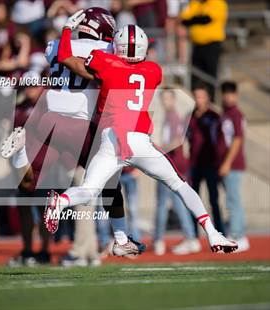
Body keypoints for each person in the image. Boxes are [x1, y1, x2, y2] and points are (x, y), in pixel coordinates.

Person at [45, 12, 238, 256]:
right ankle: (212, 232)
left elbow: (66, 58)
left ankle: (60, 201)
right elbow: (130, 67)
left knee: (89, 190)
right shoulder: (153, 71)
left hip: (111, 140)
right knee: (179, 185)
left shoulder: (105, 62)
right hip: (139, 141)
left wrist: (66, 30)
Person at [0, 7, 129, 264]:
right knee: (103, 184)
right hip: (82, 124)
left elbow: (55, 55)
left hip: (51, 119)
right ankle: (99, 245)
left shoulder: (56, 45)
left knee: (57, 183)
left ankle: (89, 250)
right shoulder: (105, 50)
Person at [153, 88, 200, 256]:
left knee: (164, 204)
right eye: (163, 99)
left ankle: (160, 240)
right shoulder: (169, 117)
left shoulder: (173, 117)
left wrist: (158, 151)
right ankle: (189, 238)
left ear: (173, 100)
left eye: (168, 99)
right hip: (173, 166)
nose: (165, 102)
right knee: (175, 204)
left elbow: (176, 140)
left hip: (172, 167)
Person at [187, 83, 225, 235]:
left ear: (207, 98)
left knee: (213, 200)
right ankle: (193, 235)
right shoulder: (189, 117)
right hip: (194, 164)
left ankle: (220, 232)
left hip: (210, 164)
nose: (198, 100)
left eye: (201, 96)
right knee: (192, 200)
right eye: (196, 96)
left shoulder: (214, 116)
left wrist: (221, 161)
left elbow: (221, 140)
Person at [218, 81, 249, 252]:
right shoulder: (226, 113)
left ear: (236, 95)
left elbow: (238, 139)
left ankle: (239, 236)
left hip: (233, 165)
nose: (227, 97)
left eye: (231, 93)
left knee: (233, 200)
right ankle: (235, 233)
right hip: (226, 164)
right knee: (230, 201)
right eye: (225, 93)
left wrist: (227, 162)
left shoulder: (236, 114)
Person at [180, 0, 227, 98]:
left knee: (210, 75)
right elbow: (184, 19)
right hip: (197, 45)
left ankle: (211, 100)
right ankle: (196, 102)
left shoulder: (218, 3)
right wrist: (196, 19)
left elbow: (207, 19)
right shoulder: (195, 3)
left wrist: (193, 19)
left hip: (212, 44)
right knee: (195, 75)